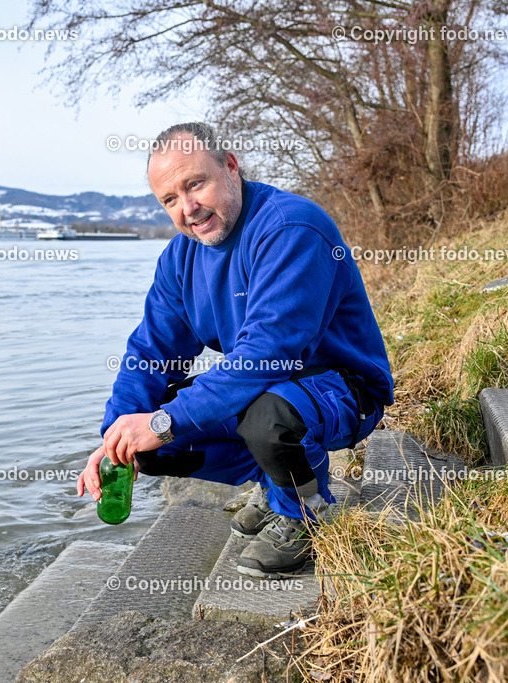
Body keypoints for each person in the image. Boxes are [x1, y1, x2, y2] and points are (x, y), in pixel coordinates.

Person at [77, 121, 393, 579]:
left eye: (195, 184)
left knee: (266, 417)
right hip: (269, 386)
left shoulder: (290, 228)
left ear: (230, 166)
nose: (188, 208)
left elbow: (268, 352)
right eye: (170, 199)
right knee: (147, 444)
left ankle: (307, 513)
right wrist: (115, 435)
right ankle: (273, 482)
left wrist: (164, 423)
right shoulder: (179, 259)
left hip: (343, 388)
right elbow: (150, 353)